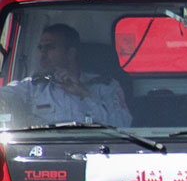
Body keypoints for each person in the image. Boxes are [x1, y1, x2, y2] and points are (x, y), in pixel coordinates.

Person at [0, 24, 131, 127]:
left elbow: (123, 124)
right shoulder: (33, 86)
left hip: (97, 153)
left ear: (70, 53)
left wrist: (85, 94)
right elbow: (4, 94)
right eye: (41, 48)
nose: (42, 53)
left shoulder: (105, 86)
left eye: (50, 47)